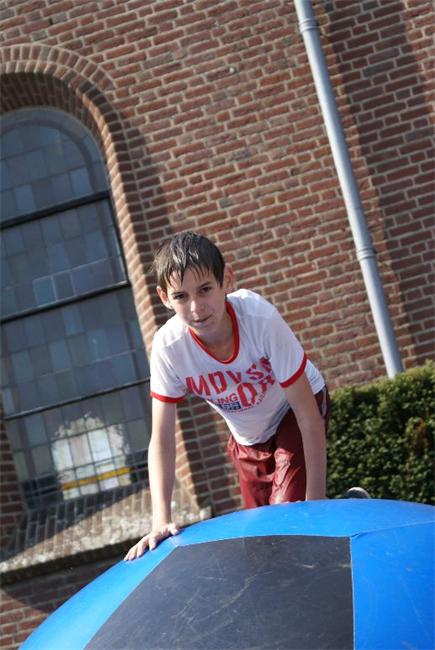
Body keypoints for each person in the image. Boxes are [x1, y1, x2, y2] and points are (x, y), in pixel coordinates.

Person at [125, 231, 330, 561]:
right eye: (181, 296)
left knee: (289, 520)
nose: (196, 307)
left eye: (205, 289)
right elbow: (162, 438)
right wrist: (160, 519)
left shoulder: (259, 319)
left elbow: (307, 413)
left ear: (227, 281)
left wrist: (317, 502)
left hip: (292, 413)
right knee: (261, 539)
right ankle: (347, 503)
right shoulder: (169, 347)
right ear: (164, 297)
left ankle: (335, 514)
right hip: (247, 437)